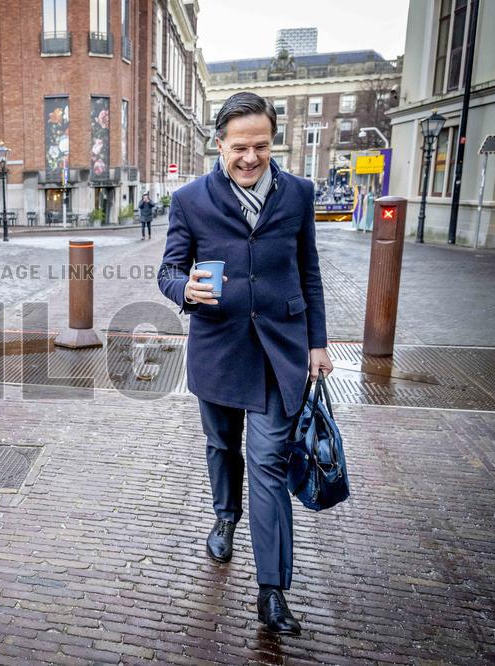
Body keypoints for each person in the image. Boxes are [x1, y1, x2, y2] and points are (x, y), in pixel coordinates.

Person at [157, 92, 333, 635]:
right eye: (240, 147)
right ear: (219, 144)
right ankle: (224, 516)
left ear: (272, 140)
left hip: (281, 354)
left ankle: (272, 591)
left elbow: (309, 273)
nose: (250, 158)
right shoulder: (190, 200)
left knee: (268, 467)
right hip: (219, 351)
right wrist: (184, 289)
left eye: (260, 145)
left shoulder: (299, 194)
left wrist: (318, 343)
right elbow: (168, 271)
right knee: (220, 446)